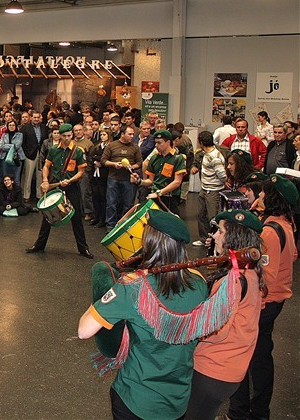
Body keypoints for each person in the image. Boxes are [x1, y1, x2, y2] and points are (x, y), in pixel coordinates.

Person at [78, 210, 209, 420]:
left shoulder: (133, 287)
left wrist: (102, 291)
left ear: (148, 243)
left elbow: (84, 330)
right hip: (177, 400)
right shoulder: (199, 281)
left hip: (137, 399)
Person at [228, 176, 298, 420]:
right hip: (276, 301)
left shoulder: (269, 231)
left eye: (263, 194)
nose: (258, 197)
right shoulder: (285, 224)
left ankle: (243, 412)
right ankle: (257, 411)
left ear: (272, 198)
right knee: (260, 356)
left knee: (247, 356)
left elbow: (264, 277)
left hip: (265, 304)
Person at [185, 209, 264, 420]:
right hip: (232, 366)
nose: (215, 236)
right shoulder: (250, 272)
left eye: (220, 232)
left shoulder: (233, 281)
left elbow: (215, 329)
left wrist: (185, 327)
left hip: (213, 369)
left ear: (234, 238)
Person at [26, 124, 93, 258]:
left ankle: (83, 248)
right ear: (59, 136)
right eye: (64, 136)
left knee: (76, 217)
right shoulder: (53, 150)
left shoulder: (78, 151)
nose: (67, 138)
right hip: (55, 185)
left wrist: (70, 180)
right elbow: (46, 166)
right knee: (48, 215)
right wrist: (45, 180)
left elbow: (81, 171)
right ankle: (39, 245)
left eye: (69, 135)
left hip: (71, 186)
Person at [132, 130, 186, 212]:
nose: (156, 145)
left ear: (168, 142)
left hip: (169, 198)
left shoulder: (177, 158)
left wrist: (159, 193)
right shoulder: (154, 158)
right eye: (155, 143)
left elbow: (177, 182)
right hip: (154, 196)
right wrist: (139, 181)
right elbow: (150, 181)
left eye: (159, 143)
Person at [101, 125, 142, 230]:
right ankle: (110, 226)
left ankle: (124, 226)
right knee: (111, 203)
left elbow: (139, 163)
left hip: (128, 179)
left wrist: (131, 166)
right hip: (113, 178)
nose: (132, 136)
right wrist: (114, 164)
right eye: (130, 134)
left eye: (133, 134)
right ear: (122, 134)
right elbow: (104, 161)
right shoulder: (112, 146)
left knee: (128, 204)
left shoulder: (135, 147)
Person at [190, 131, 227, 247]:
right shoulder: (205, 154)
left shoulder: (214, 157)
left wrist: (217, 185)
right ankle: (204, 239)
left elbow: (222, 175)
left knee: (213, 218)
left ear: (201, 142)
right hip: (204, 189)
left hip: (213, 192)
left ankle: (214, 242)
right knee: (201, 215)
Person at [89, 130, 111, 228]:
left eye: (104, 135)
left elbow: (106, 158)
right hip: (95, 175)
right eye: (101, 135)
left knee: (103, 198)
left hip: (104, 175)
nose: (102, 136)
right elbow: (91, 156)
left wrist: (100, 161)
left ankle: (103, 219)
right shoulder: (97, 146)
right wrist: (97, 159)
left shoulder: (110, 147)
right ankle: (96, 217)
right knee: (95, 196)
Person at [0, 119, 24, 185]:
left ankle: (16, 195)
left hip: (17, 158)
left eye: (13, 125)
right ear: (7, 126)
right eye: (10, 125)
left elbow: (17, 146)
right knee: (6, 178)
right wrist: (12, 146)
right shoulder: (4, 135)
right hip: (5, 158)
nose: (11, 127)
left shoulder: (20, 135)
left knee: (16, 179)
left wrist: (6, 146)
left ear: (16, 126)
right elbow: (1, 146)